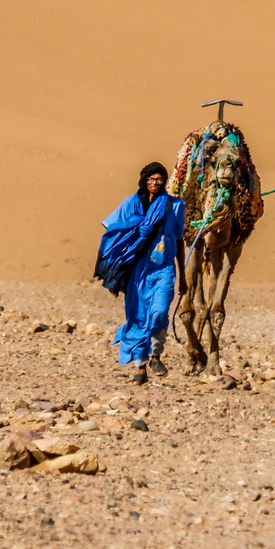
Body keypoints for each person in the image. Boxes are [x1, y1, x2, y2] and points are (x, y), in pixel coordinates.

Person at [95, 161, 187, 384]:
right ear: (144, 180)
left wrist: (183, 275)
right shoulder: (131, 204)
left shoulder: (174, 206)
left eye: (159, 179)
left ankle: (155, 355)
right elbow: (114, 232)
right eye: (151, 179)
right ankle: (140, 369)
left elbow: (179, 239)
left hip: (164, 267)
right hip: (137, 269)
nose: (156, 183)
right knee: (137, 317)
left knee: (158, 311)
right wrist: (115, 267)